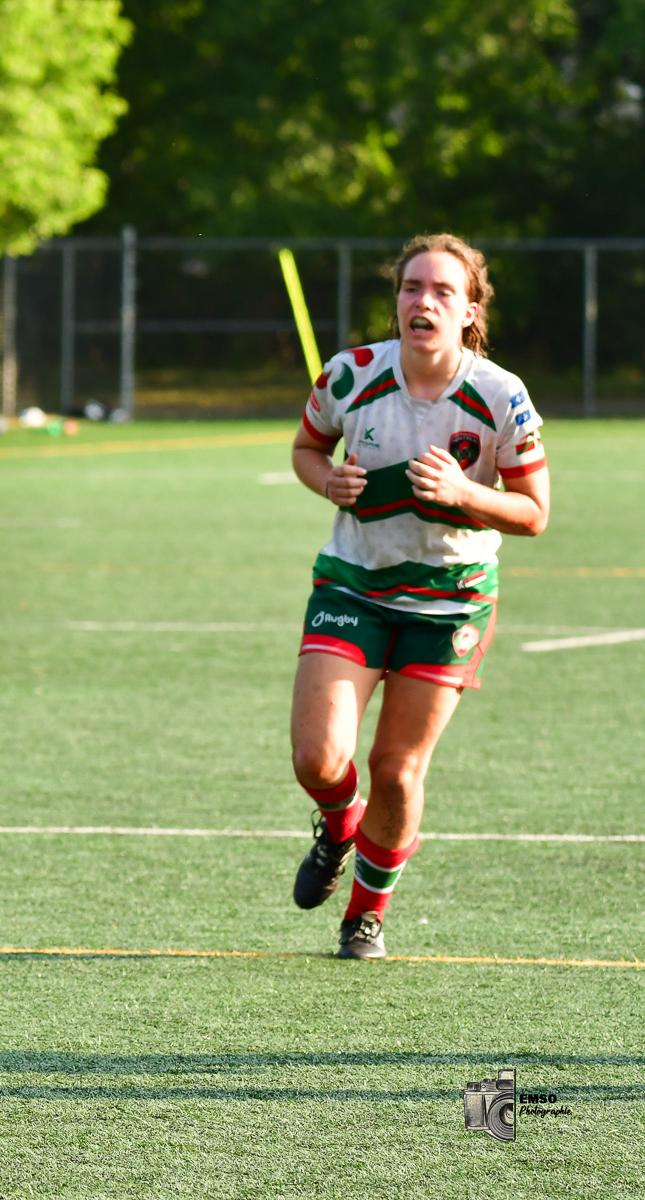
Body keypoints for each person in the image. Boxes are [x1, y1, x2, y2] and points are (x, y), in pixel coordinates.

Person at [288, 233, 549, 959]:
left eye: (442, 292)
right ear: (396, 300)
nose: (422, 301)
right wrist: (326, 480)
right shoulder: (350, 375)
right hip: (356, 585)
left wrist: (465, 494)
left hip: (450, 602)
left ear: (470, 312)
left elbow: (535, 513)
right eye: (411, 288)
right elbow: (308, 449)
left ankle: (365, 915)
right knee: (317, 758)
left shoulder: (500, 395)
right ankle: (339, 826)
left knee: (396, 772)